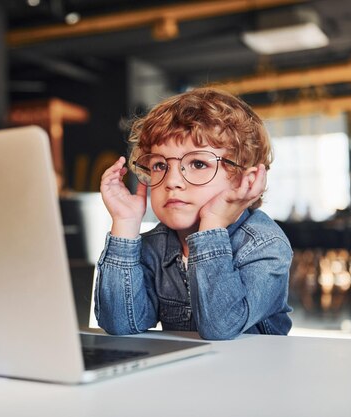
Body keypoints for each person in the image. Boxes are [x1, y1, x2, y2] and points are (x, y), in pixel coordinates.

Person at [95, 87, 292, 340]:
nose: (172, 181)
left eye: (198, 164)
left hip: (254, 374)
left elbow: (220, 327)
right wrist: (124, 223)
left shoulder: (265, 246)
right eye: (160, 165)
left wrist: (212, 224)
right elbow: (120, 322)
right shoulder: (155, 245)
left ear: (246, 179)